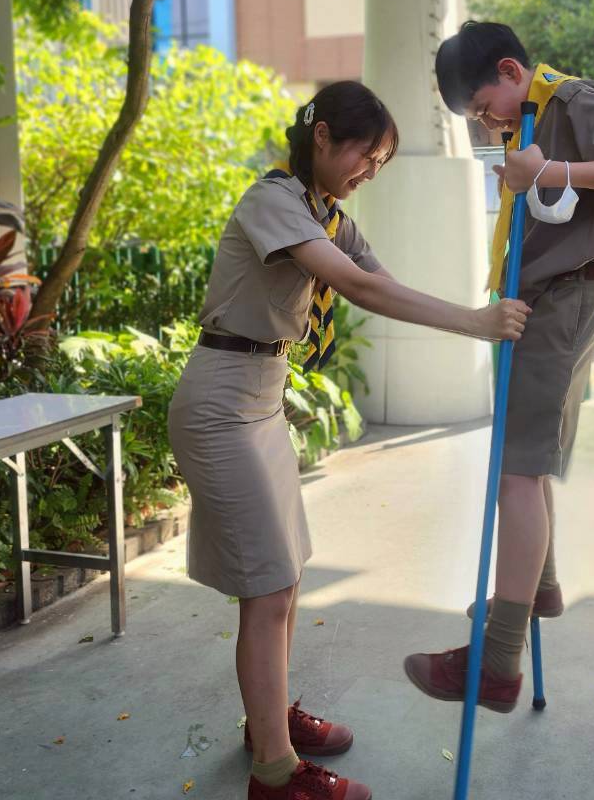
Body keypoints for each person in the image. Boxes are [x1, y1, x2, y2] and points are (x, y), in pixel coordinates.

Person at [167, 80, 530, 800]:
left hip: (262, 401)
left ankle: (268, 724)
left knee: (285, 577)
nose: (370, 172)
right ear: (324, 136)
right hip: (220, 403)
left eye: (382, 163)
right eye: (367, 155)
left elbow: (383, 283)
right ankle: (275, 776)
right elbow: (358, 290)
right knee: (268, 587)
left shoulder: (325, 215)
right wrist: (475, 324)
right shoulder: (274, 199)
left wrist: (474, 309)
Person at [403, 21, 594, 711]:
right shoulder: (529, 117)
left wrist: (548, 171)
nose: (486, 123)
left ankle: (497, 663)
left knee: (517, 473)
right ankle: (537, 586)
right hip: (543, 300)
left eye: (482, 107)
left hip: (565, 296)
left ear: (509, 71)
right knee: (526, 459)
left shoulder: (570, 100)